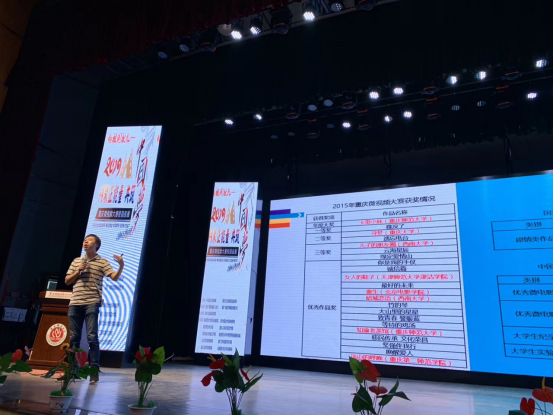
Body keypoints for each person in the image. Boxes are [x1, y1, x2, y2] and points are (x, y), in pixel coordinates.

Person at [65, 234, 124, 383]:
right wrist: (78, 271)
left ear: (96, 245)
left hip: (92, 302)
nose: (86, 242)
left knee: (92, 337)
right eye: (85, 240)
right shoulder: (77, 261)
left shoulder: (102, 262)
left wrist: (121, 265)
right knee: (74, 338)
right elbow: (67, 281)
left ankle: (94, 371)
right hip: (75, 302)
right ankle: (72, 371)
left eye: (89, 240)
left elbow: (114, 277)